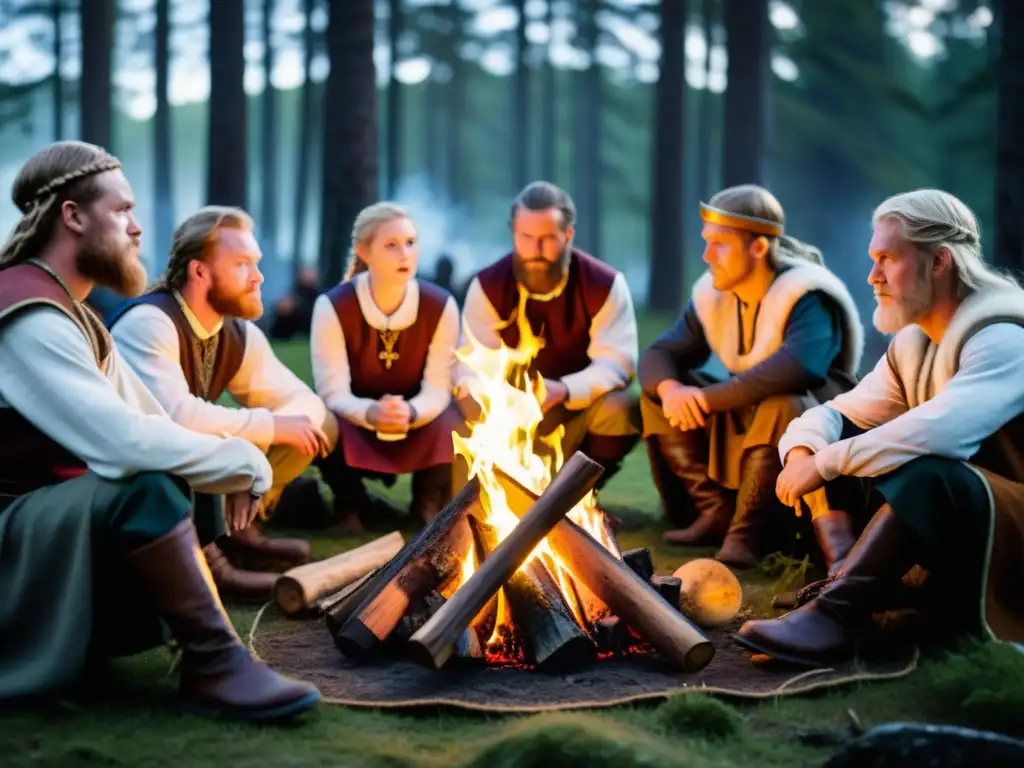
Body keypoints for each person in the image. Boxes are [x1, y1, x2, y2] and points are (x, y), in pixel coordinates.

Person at [0, 141, 318, 719]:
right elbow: (121, 441)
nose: (138, 227)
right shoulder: (25, 312)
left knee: (176, 461)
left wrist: (226, 453)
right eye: (121, 210)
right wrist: (246, 459)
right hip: (11, 542)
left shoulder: (72, 310)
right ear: (72, 216)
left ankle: (205, 601)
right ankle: (214, 665)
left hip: (42, 525)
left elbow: (151, 420)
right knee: (143, 484)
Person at [734, 188, 1024, 667]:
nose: (872, 276)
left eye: (887, 258)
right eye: (873, 259)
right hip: (967, 523)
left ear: (939, 262)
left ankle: (838, 614)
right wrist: (809, 451)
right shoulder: (914, 344)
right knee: (845, 448)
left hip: (1012, 532)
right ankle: (845, 581)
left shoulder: (1005, 338)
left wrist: (823, 463)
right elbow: (836, 414)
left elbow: (943, 434)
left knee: (927, 470)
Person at [108, 206, 335, 600]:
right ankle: (208, 563)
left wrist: (245, 463)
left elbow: (303, 401)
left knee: (320, 426)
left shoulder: (236, 332)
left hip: (189, 457)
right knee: (175, 451)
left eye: (257, 263)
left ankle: (235, 531)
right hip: (126, 474)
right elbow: (174, 418)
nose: (259, 276)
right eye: (243, 264)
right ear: (199, 271)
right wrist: (254, 445)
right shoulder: (149, 323)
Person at [639, 185, 865, 570]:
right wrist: (673, 389)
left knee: (784, 405)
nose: (707, 256)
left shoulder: (808, 295)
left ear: (758, 248)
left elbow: (799, 368)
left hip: (812, 427)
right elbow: (659, 355)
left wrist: (708, 400)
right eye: (706, 243)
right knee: (659, 393)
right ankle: (716, 513)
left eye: (720, 245)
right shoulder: (714, 293)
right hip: (748, 416)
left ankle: (749, 533)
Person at [455, 181, 641, 488]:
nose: (536, 249)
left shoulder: (603, 285)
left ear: (568, 234)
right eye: (526, 237)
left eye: (547, 238)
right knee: (463, 403)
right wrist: (504, 399)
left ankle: (579, 493)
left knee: (619, 409)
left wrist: (564, 390)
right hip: (506, 413)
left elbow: (617, 364)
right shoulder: (488, 287)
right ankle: (484, 495)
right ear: (514, 233)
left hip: (575, 410)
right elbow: (470, 364)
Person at [310, 202, 461, 533]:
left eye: (410, 243)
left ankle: (427, 506)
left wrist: (409, 411)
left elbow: (438, 386)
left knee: (456, 416)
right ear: (364, 251)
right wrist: (371, 413)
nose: (404, 254)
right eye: (391, 245)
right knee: (317, 417)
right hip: (355, 417)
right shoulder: (333, 306)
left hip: (418, 416)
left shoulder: (440, 305)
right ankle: (349, 505)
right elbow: (332, 391)